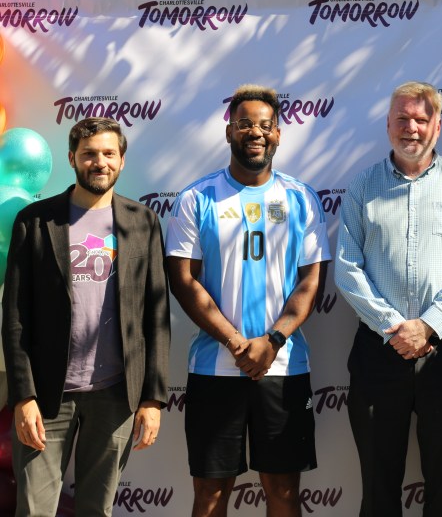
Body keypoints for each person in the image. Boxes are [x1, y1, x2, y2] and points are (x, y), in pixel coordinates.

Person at [166, 84, 330, 517]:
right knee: (211, 493)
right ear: (229, 132)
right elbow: (183, 280)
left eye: (265, 125)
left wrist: (272, 341)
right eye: (244, 124)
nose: (255, 133)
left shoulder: (301, 198)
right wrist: (237, 343)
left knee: (283, 490)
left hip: (283, 368)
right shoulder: (196, 198)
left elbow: (312, 281)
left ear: (277, 135)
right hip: (215, 368)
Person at [335, 81, 442, 517]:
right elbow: (347, 268)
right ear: (388, 124)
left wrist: (429, 325)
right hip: (378, 352)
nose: (411, 128)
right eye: (402, 118)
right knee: (378, 484)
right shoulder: (362, 186)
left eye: (421, 119)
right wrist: (395, 329)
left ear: (437, 127)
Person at [2, 117, 171, 516]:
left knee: (97, 509)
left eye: (109, 154)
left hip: (115, 394)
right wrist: (23, 395)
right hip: (46, 396)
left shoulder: (142, 221)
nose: (100, 162)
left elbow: (156, 313)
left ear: (122, 160)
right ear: (72, 159)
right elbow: (15, 315)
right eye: (89, 154)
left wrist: (153, 397)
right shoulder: (36, 221)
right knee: (35, 510)